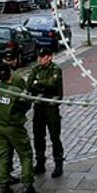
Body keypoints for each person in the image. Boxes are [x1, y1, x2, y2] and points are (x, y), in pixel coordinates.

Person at [0, 64, 41, 193]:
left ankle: (4, 184)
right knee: (25, 154)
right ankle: (28, 185)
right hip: (14, 127)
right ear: (10, 75)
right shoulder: (15, 91)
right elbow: (26, 105)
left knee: (3, 154)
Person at [0, 50, 25, 185]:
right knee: (7, 148)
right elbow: (23, 100)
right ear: (13, 61)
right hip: (9, 119)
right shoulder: (16, 78)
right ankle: (5, 175)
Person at [27, 47, 64, 178]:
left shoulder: (55, 69)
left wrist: (39, 84)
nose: (39, 59)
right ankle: (40, 162)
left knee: (55, 137)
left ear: (49, 57)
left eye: (42, 57)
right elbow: (29, 85)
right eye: (39, 57)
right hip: (39, 108)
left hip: (51, 108)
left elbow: (52, 84)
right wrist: (41, 85)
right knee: (38, 136)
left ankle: (58, 163)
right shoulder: (35, 69)